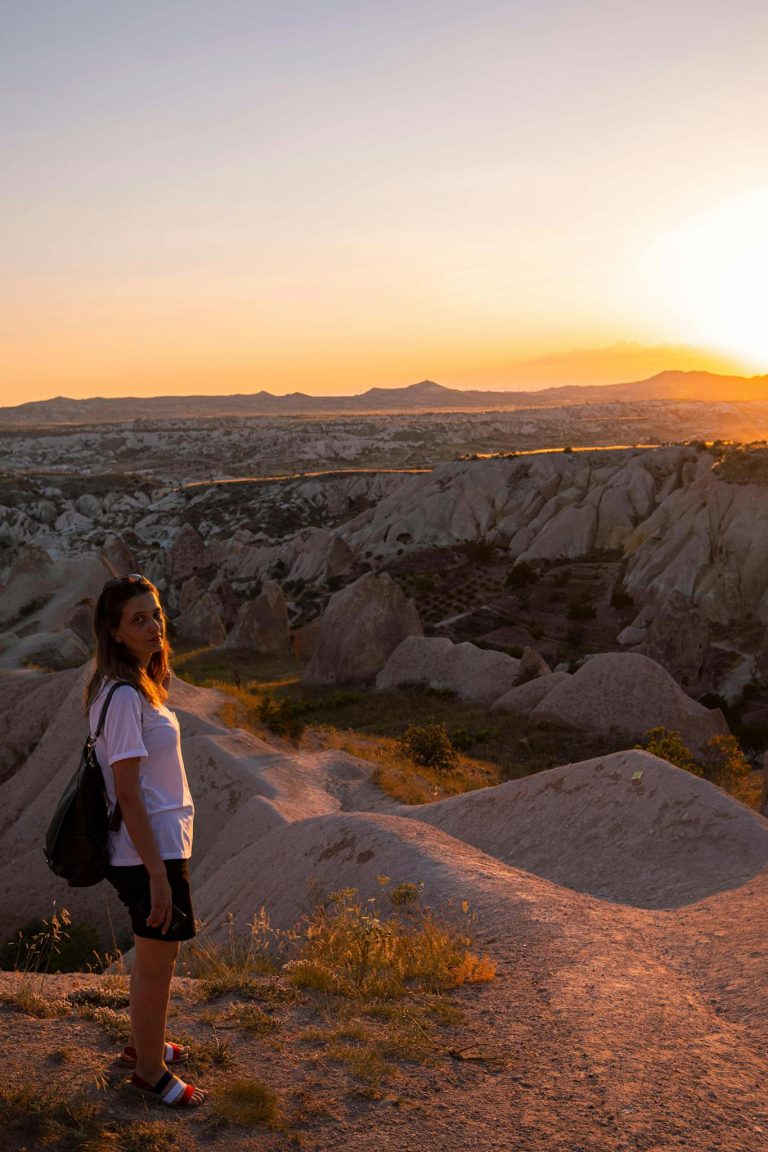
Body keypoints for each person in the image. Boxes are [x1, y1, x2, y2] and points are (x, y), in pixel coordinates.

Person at [85, 573, 206, 1108]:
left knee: (154, 958)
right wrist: (157, 873)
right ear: (113, 632)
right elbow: (129, 794)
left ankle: (143, 1045)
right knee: (159, 962)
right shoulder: (123, 696)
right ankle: (151, 1073)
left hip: (155, 844)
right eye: (138, 619)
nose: (154, 626)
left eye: (155, 614)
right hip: (146, 850)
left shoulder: (134, 687)